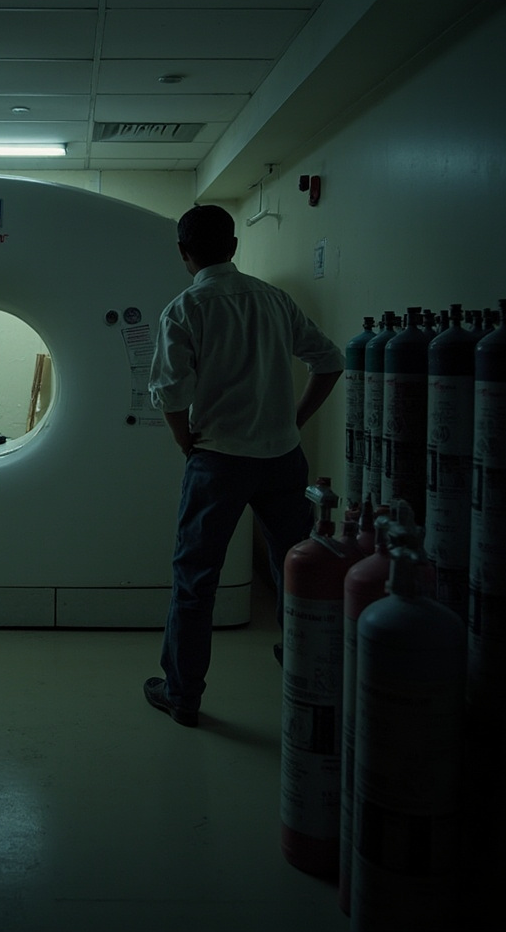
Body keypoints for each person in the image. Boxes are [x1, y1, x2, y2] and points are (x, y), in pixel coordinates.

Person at [143, 204, 344, 727]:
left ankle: (183, 694)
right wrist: (293, 420)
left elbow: (169, 393)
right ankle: (302, 662)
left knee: (195, 578)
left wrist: (187, 441)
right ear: (234, 248)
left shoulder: (184, 309)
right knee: (294, 568)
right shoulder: (275, 301)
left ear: (184, 254)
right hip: (282, 458)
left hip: (219, 461)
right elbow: (329, 360)